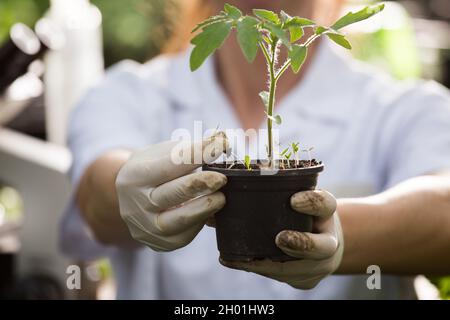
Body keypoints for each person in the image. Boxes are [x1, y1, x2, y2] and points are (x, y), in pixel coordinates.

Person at [61, 0, 450, 299]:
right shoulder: (128, 93)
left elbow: (442, 209)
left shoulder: (404, 109)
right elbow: (97, 194)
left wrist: (341, 232)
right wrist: (131, 191)